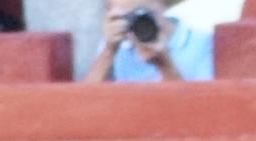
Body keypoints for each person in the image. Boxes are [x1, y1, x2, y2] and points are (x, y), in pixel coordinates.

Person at [81, 0, 213, 82]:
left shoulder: (202, 44)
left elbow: (199, 111)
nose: (138, 24)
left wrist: (165, 65)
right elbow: (83, 105)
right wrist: (108, 52)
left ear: (161, 4)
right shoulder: (114, 45)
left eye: (142, 15)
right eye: (126, 18)